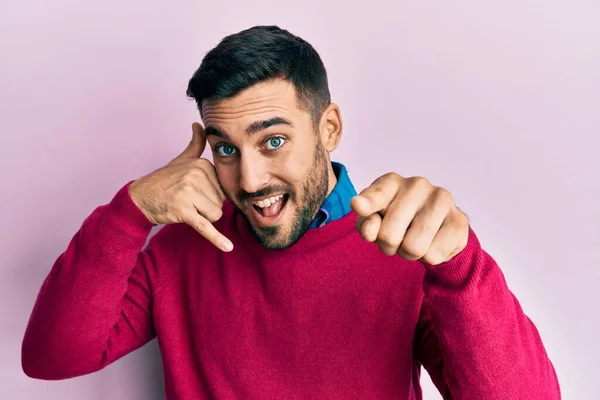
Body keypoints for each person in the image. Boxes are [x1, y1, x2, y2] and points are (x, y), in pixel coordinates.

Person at [21, 25, 560, 399]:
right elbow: (51, 358)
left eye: (272, 140)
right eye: (225, 148)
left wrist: (461, 268)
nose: (250, 180)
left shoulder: (405, 247)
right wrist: (132, 211)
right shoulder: (183, 248)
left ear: (329, 129)